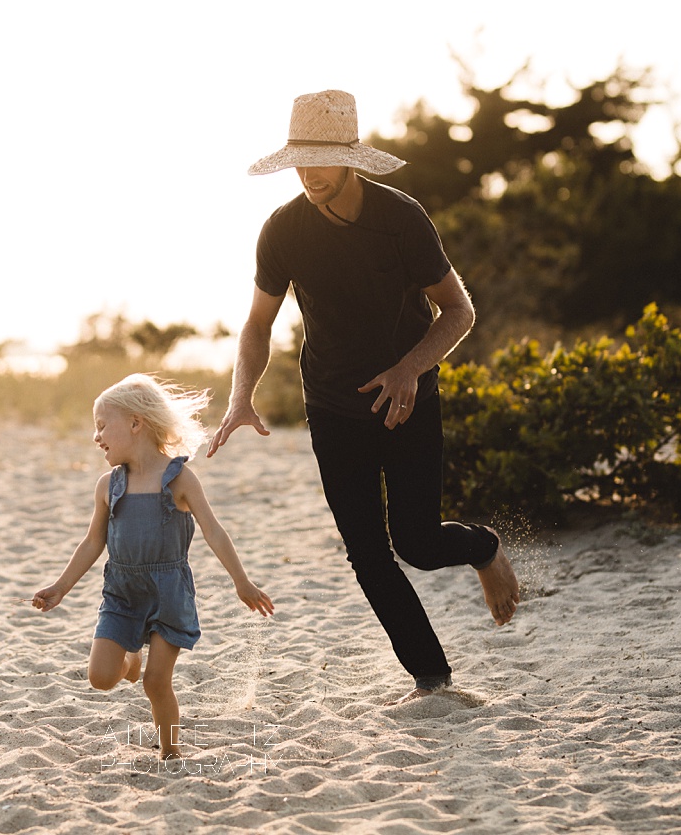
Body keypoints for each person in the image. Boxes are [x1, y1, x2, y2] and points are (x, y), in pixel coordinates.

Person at [206, 89, 519, 705]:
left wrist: (408, 369)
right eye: (300, 158)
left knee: (419, 544)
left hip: (408, 400)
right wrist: (241, 396)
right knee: (368, 556)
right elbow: (256, 325)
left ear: (351, 156)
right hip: (330, 406)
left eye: (321, 157)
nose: (310, 172)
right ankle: (433, 681)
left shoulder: (400, 218)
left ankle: (483, 548)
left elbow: (459, 311)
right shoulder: (283, 230)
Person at [33, 373, 274, 759]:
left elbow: (213, 530)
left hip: (168, 593)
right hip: (123, 593)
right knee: (100, 678)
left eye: (101, 425)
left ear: (135, 423)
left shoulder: (178, 479)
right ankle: (131, 657)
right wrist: (61, 587)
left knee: (156, 683)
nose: (96, 437)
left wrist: (241, 582)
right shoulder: (107, 485)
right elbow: (93, 541)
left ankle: (170, 752)